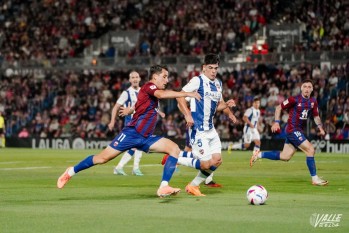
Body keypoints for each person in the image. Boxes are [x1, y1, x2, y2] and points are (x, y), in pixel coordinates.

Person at [57, 65, 201, 197]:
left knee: (174, 149)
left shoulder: (147, 92)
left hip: (146, 137)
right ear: (155, 77)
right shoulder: (149, 86)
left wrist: (130, 110)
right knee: (102, 158)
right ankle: (70, 172)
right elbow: (161, 95)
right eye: (164, 76)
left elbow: (141, 104)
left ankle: (164, 186)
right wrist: (186, 94)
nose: (167, 80)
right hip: (131, 134)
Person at [176, 53, 237, 196]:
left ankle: (192, 186)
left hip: (211, 129)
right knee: (205, 164)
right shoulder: (198, 81)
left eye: (216, 68)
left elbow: (218, 105)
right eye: (210, 68)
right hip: (198, 129)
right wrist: (187, 114)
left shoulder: (218, 84)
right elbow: (180, 95)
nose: (214, 71)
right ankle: (175, 158)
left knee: (217, 161)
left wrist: (228, 107)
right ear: (204, 68)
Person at [250, 79, 328, 186]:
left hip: (298, 131)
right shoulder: (294, 99)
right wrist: (276, 122)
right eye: (305, 86)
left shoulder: (313, 101)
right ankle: (315, 179)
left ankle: (259, 155)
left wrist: (320, 127)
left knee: (285, 156)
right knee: (310, 149)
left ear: (312, 89)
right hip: (292, 129)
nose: (307, 89)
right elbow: (278, 108)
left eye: (309, 87)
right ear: (301, 88)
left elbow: (316, 116)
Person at [108, 71, 164, 176]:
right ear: (129, 80)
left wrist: (160, 112)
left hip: (143, 123)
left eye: (136, 77)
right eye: (132, 77)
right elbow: (116, 107)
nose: (134, 79)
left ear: (139, 79)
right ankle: (120, 167)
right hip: (131, 124)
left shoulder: (144, 90)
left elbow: (151, 105)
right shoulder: (126, 93)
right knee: (135, 146)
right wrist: (112, 121)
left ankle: (134, 168)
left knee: (138, 146)